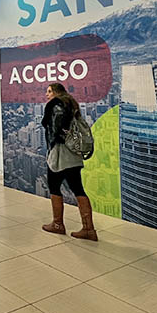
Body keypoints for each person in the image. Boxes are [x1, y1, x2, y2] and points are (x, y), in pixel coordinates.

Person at [41, 83, 97, 240]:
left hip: (61, 153)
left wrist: (52, 141)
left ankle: (58, 224)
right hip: (74, 155)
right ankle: (89, 229)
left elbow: (57, 127)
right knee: (78, 188)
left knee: (54, 187)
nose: (47, 94)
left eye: (49, 91)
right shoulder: (71, 103)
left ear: (57, 92)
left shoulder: (57, 104)